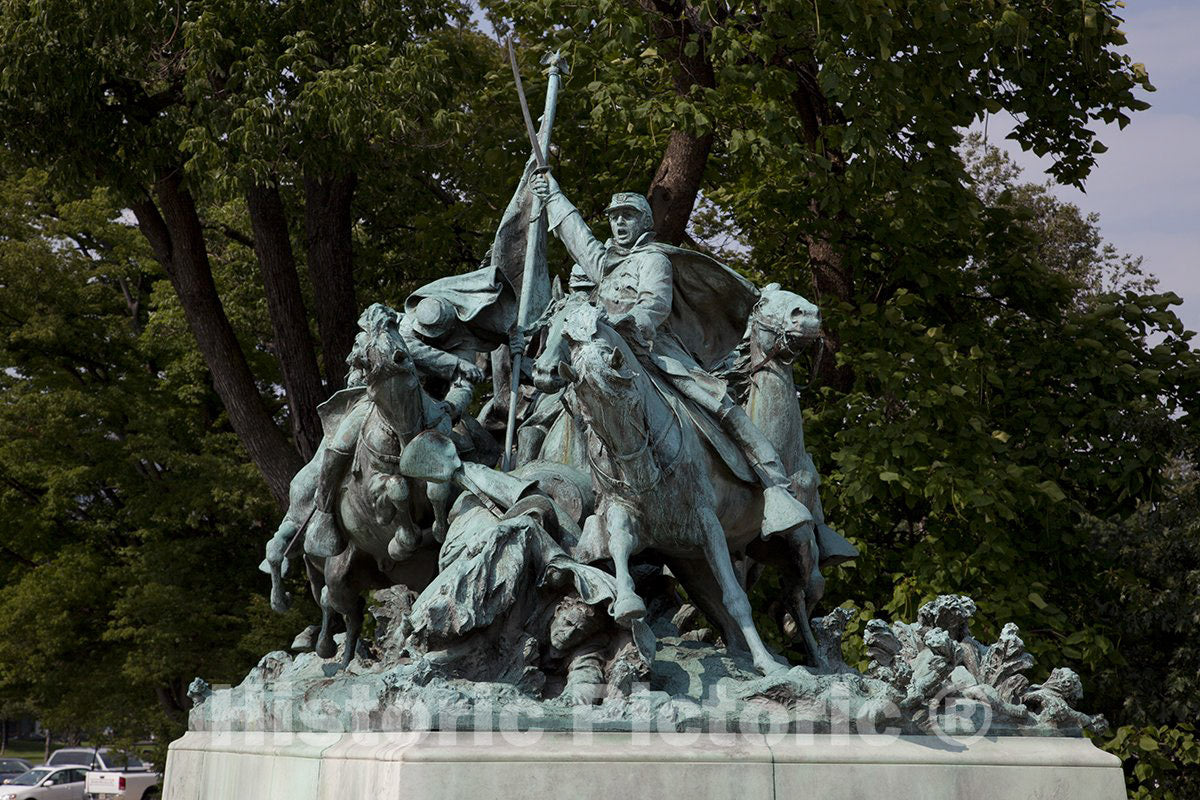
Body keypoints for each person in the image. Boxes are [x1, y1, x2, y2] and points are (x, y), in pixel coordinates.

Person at [530, 172, 812, 537]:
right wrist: (553, 194)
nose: (619, 223)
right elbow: (577, 236)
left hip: (654, 351)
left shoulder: (654, 260)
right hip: (604, 351)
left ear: (644, 222)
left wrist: (622, 323)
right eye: (614, 217)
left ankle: (776, 488)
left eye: (628, 216)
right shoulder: (605, 265)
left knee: (718, 402)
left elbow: (655, 305)